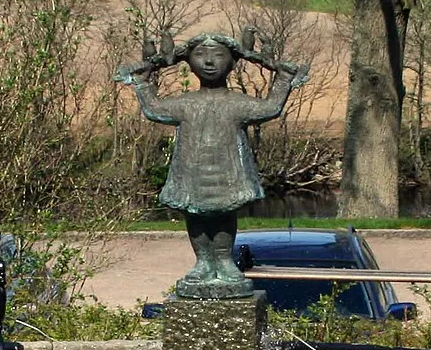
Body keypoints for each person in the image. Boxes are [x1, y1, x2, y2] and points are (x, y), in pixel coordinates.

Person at [117, 32, 309, 297]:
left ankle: (224, 261)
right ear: (189, 62)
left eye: (219, 55)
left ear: (232, 63)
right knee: (194, 215)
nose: (209, 62)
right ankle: (203, 262)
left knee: (223, 216)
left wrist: (285, 79)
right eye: (200, 56)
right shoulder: (185, 104)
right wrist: (141, 82)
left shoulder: (237, 104)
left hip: (227, 173)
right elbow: (154, 109)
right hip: (191, 173)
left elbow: (270, 108)